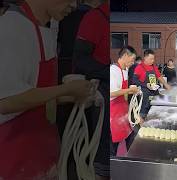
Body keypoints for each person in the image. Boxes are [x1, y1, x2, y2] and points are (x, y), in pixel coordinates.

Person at [0, 0, 93, 179]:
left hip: (41, 153)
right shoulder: (12, 28)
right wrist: (65, 89)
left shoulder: (44, 32)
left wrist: (72, 95)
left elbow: (37, 95)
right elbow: (6, 101)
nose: (74, 6)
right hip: (14, 159)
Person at [72, 2, 109, 179]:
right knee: (101, 144)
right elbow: (80, 59)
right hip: (101, 88)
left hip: (114, 89)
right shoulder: (96, 17)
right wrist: (109, 72)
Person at [57, 0, 104, 83]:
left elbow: (59, 39)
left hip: (63, 61)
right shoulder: (97, 17)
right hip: (86, 69)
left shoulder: (64, 13)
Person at [110, 46, 139, 156]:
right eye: (132, 59)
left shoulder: (125, 70)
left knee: (131, 137)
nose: (133, 63)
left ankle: (131, 160)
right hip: (114, 114)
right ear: (125, 56)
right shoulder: (113, 70)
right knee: (113, 146)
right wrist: (130, 90)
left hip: (122, 111)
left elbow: (124, 92)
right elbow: (112, 93)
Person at [133, 49, 171, 121]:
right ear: (145, 58)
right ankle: (142, 124)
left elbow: (159, 76)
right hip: (145, 95)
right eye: (151, 59)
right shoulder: (139, 67)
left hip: (154, 92)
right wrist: (146, 85)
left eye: (153, 59)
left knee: (154, 110)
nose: (153, 60)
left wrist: (166, 84)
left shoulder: (153, 67)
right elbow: (134, 81)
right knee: (144, 111)